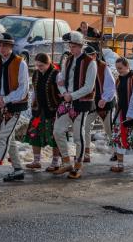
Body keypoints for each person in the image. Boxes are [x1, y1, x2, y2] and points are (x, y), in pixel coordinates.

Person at [0, 32, 29, 184]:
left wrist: (6, 99)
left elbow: (23, 89)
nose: (1, 48)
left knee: (3, 138)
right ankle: (18, 169)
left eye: (5, 45)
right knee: (10, 138)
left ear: (11, 47)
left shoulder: (20, 63)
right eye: (0, 45)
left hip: (14, 106)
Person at [52, 31, 97, 179]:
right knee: (57, 131)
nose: (71, 49)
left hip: (82, 103)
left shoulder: (90, 62)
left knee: (78, 136)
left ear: (81, 46)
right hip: (67, 101)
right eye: (70, 46)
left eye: (73, 46)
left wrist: (72, 95)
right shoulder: (68, 60)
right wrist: (64, 92)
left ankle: (77, 166)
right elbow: (61, 79)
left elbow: (89, 86)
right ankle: (66, 162)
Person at [23, 53, 62, 172]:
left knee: (54, 136)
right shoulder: (36, 74)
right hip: (38, 110)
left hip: (52, 110)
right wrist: (33, 103)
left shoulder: (56, 74)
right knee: (35, 135)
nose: (39, 67)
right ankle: (36, 161)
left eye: (41, 65)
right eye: (37, 65)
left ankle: (55, 162)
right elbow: (34, 90)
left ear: (48, 63)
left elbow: (62, 91)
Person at [82, 46, 115, 163]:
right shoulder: (83, 68)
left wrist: (104, 99)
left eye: (89, 56)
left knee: (108, 129)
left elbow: (111, 86)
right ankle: (86, 153)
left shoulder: (103, 67)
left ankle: (116, 151)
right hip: (91, 103)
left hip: (104, 102)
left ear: (94, 55)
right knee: (85, 126)